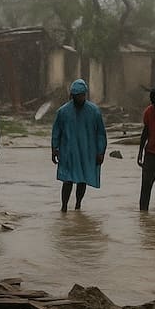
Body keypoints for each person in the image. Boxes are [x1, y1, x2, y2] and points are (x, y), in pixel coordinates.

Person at [51, 78, 106, 211]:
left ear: (85, 95)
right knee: (68, 180)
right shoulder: (63, 112)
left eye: (81, 95)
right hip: (68, 151)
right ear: (72, 96)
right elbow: (56, 131)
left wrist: (100, 152)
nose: (79, 98)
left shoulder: (94, 111)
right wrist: (54, 148)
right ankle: (64, 206)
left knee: (82, 179)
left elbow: (100, 134)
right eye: (76, 96)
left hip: (87, 151)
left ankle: (78, 205)